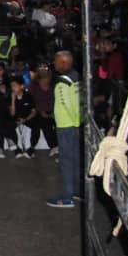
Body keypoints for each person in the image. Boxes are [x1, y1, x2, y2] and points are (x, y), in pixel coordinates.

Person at [48, 50, 82, 208]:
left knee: (66, 161)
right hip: (74, 124)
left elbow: (68, 105)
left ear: (63, 63)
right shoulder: (76, 78)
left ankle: (67, 196)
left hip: (66, 125)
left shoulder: (62, 83)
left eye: (56, 61)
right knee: (75, 159)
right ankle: (76, 191)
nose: (54, 64)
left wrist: (75, 124)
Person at [28, 62, 59, 157]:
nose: (42, 70)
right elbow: (31, 100)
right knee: (43, 122)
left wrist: (53, 112)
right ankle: (52, 146)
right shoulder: (33, 85)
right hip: (39, 110)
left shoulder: (55, 83)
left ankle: (57, 147)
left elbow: (58, 98)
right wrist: (41, 111)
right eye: (40, 68)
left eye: (44, 68)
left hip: (55, 110)